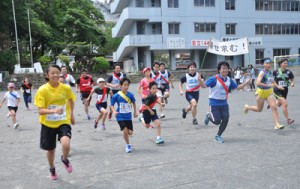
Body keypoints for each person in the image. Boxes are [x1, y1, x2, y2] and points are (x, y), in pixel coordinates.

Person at [34, 64, 76, 180]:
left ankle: (64, 158)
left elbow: (71, 100)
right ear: (47, 75)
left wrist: (71, 114)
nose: (55, 75)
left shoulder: (66, 88)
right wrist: (54, 111)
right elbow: (40, 111)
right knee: (51, 150)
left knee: (66, 144)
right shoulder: (42, 90)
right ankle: (52, 169)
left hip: (63, 120)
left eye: (57, 72)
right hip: (48, 123)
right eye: (52, 73)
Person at [200, 61, 251, 143]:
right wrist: (200, 80)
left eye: (226, 68)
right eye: (223, 68)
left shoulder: (229, 80)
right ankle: (208, 116)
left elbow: (237, 87)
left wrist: (247, 82)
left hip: (224, 104)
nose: (225, 70)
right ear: (219, 70)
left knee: (226, 118)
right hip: (214, 104)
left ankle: (218, 135)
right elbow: (203, 86)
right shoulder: (213, 79)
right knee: (217, 121)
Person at [243, 58, 285, 130]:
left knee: (274, 107)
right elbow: (258, 83)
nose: (268, 65)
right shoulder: (262, 72)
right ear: (263, 64)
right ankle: (247, 107)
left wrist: (277, 86)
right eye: (266, 63)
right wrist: (268, 85)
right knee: (259, 109)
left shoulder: (270, 72)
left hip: (269, 92)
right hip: (261, 92)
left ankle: (277, 124)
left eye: (269, 63)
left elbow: (272, 81)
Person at [110, 78, 138, 153]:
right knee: (125, 131)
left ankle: (127, 140)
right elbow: (111, 105)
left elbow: (134, 103)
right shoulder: (116, 95)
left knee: (130, 132)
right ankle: (128, 145)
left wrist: (135, 112)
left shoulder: (130, 95)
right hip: (120, 116)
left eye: (127, 85)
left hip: (128, 116)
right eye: (125, 85)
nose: (126, 87)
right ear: (120, 85)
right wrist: (114, 111)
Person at [179, 62, 203, 127]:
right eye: (191, 67)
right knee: (194, 104)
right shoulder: (185, 76)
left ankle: (185, 111)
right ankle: (194, 119)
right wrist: (181, 90)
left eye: (193, 67)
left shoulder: (199, 75)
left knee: (192, 106)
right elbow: (180, 83)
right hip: (189, 93)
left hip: (196, 93)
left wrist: (200, 80)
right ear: (188, 68)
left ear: (195, 68)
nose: (192, 68)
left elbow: (203, 83)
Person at [272, 58, 295, 124]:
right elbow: (270, 79)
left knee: (279, 104)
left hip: (285, 90)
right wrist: (276, 85)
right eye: (284, 63)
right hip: (277, 90)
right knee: (284, 103)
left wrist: (292, 83)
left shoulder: (289, 72)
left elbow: (292, 79)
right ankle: (288, 119)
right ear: (280, 64)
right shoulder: (275, 71)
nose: (285, 64)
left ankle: (271, 104)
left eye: (286, 63)